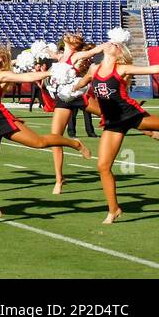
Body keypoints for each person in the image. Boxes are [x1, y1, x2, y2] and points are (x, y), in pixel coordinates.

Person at [0, 44, 91, 224]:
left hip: (1, 120)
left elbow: (26, 77)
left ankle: (74, 143)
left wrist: (49, 73)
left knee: (39, 143)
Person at [72, 41, 159, 224]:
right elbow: (83, 82)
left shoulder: (121, 68)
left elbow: (152, 70)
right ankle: (114, 209)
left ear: (118, 52)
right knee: (103, 166)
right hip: (113, 123)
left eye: (115, 44)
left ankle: (153, 131)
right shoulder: (93, 69)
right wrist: (72, 87)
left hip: (131, 115)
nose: (110, 43)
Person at [45, 33, 106, 195]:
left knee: (110, 115)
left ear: (73, 43)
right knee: (55, 137)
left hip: (78, 94)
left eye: (70, 35)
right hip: (63, 99)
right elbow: (50, 54)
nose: (67, 34)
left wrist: (110, 44)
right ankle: (59, 179)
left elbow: (93, 52)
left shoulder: (77, 54)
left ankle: (146, 128)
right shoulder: (60, 56)